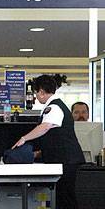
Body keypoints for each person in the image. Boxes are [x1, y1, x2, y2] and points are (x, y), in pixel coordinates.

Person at [12, 75, 85, 209]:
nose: (36, 96)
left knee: (65, 197)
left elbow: (44, 127)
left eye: (36, 93)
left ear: (41, 92)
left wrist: (24, 138)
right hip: (65, 159)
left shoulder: (54, 108)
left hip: (66, 160)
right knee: (62, 196)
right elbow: (54, 137)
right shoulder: (55, 106)